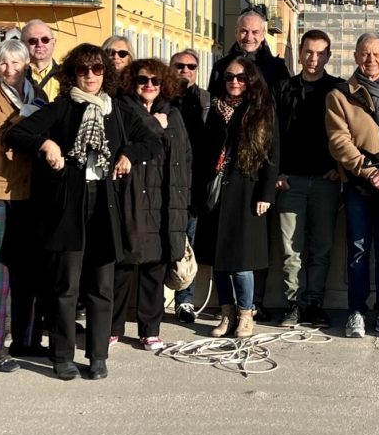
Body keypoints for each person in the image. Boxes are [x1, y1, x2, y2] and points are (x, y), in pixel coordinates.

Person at [5, 43, 161, 380]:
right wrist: (45, 144)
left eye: (97, 69)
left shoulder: (118, 110)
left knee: (101, 286)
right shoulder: (62, 107)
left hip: (105, 205)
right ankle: (61, 356)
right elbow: (16, 134)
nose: (89, 76)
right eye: (82, 69)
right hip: (67, 208)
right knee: (66, 286)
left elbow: (155, 141)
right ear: (72, 73)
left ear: (105, 73)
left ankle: (98, 356)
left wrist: (129, 154)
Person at [326, 32, 379, 340]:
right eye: (365, 54)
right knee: (358, 249)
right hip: (357, 185)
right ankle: (356, 311)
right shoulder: (339, 96)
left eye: (376, 54)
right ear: (356, 57)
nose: (371, 59)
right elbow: (339, 141)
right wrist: (367, 171)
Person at [0, 38, 45, 372]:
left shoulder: (38, 94)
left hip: (31, 191)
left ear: (26, 64)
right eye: (4, 64)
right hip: (0, 190)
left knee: (28, 270)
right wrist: (32, 121)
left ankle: (27, 339)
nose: (10, 69)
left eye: (16, 63)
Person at [193, 58, 279, 339]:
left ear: (251, 80)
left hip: (247, 191)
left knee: (242, 263)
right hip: (216, 193)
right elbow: (203, 151)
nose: (234, 82)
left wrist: (266, 193)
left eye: (241, 78)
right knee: (220, 261)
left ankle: (246, 314)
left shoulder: (262, 110)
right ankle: (226, 312)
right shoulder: (213, 109)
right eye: (230, 77)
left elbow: (272, 156)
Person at [111, 59, 192, 352]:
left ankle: (150, 329)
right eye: (142, 80)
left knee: (154, 270)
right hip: (130, 196)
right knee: (122, 266)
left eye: (155, 81)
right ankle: (113, 326)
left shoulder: (173, 113)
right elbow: (120, 146)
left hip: (163, 200)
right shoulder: (121, 109)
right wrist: (153, 125)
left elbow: (184, 159)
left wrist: (183, 203)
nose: (148, 86)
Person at [273, 29, 344, 327]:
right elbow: (271, 135)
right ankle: (293, 303)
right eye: (308, 52)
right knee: (291, 249)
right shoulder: (283, 88)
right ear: (300, 53)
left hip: (326, 180)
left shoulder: (338, 90)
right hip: (291, 181)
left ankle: (313, 302)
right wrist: (276, 172)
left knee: (321, 247)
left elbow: (350, 133)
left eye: (320, 53)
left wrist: (340, 168)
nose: (313, 59)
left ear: (328, 56)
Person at [169, 48, 210, 323]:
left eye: (191, 66)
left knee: (188, 244)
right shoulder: (160, 96)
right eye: (180, 66)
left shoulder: (206, 100)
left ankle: (185, 301)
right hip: (161, 182)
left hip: (192, 184)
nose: (185, 71)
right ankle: (151, 302)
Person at [207, 8, 290, 94]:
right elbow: (213, 101)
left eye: (255, 32)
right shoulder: (221, 67)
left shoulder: (277, 68)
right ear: (236, 32)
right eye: (244, 31)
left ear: (263, 35)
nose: (249, 37)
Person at [22, 19, 61, 104]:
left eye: (45, 40)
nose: (39, 44)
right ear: (22, 45)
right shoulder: (13, 76)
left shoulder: (66, 76)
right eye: (33, 41)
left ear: (53, 43)